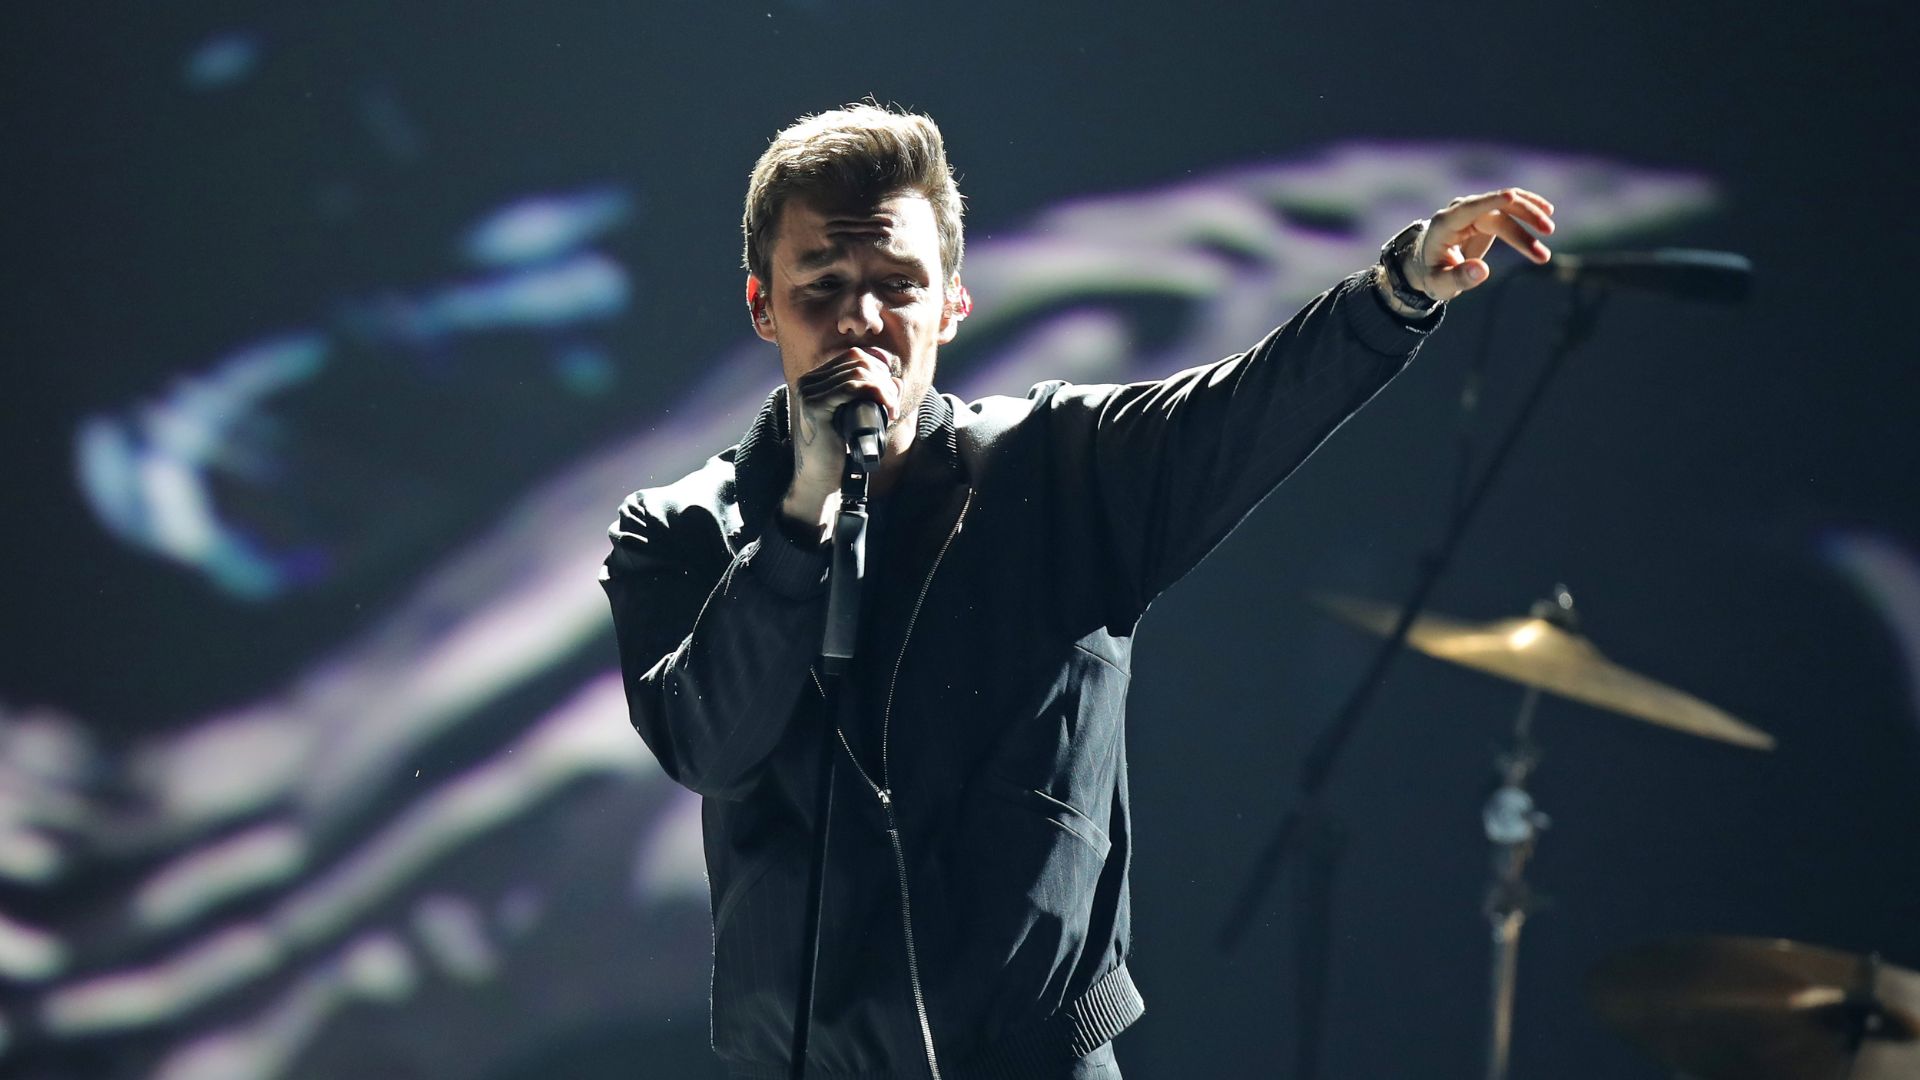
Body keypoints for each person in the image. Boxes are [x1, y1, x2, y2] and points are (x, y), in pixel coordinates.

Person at [600, 103, 1554, 1080]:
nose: (862, 320)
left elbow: (1246, 407)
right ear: (763, 305)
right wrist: (802, 518)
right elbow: (707, 743)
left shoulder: (1058, 471)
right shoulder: (679, 530)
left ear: (952, 304)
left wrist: (1393, 294)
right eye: (823, 286)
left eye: (897, 285)